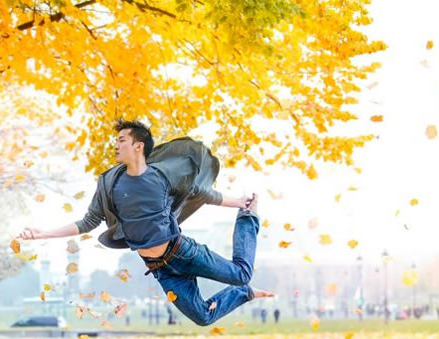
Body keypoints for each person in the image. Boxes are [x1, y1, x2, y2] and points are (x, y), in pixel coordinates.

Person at [17, 119, 272, 326]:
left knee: (241, 274)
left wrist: (240, 203)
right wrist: (43, 235)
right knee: (203, 317)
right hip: (161, 269)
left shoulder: (163, 177)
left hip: (183, 252)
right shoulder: (109, 183)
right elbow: (88, 222)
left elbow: (202, 193)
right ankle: (245, 294)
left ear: (138, 146)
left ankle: (249, 218)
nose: (116, 146)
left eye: (121, 141)